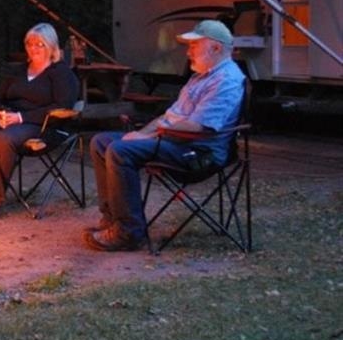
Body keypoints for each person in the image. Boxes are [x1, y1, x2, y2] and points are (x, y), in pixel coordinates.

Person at [85, 19, 245, 252]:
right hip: (176, 142)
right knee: (101, 142)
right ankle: (112, 220)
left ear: (216, 48)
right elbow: (170, 117)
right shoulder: (200, 76)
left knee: (120, 151)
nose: (188, 52)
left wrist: (152, 137)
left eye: (194, 45)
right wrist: (141, 134)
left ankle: (128, 232)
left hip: (199, 153)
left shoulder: (227, 80)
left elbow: (198, 127)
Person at [0, 23, 80, 221]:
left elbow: (62, 107)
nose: (33, 49)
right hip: (10, 119)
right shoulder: (18, 71)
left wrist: (21, 118)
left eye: (39, 44)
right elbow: (0, 98)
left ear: (51, 46)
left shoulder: (62, 74)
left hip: (45, 125)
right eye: (29, 44)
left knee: (5, 138)